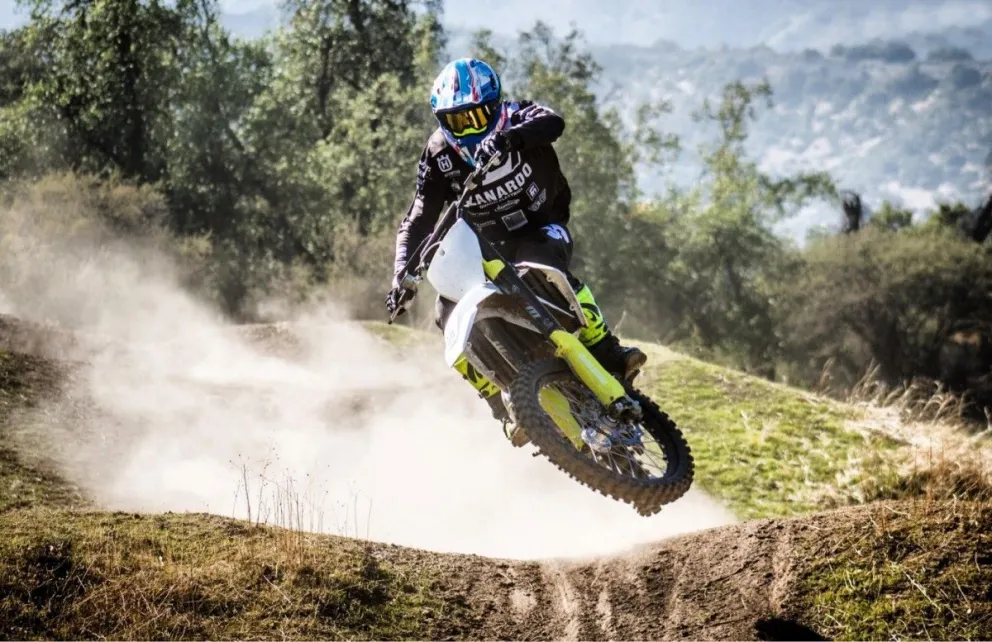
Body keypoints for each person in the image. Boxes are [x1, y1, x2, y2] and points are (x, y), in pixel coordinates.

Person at [385, 57, 646, 436]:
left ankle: (607, 347)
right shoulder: (439, 153)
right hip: (485, 248)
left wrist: (510, 139)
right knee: (445, 314)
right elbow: (419, 217)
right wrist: (400, 275)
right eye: (456, 121)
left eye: (476, 117)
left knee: (543, 268)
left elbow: (554, 123)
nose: (467, 128)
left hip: (540, 227)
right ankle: (502, 404)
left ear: (494, 106)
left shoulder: (518, 117)